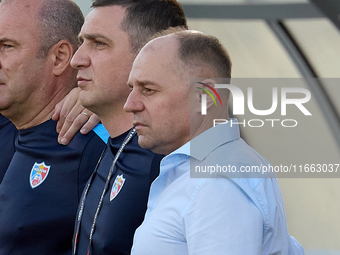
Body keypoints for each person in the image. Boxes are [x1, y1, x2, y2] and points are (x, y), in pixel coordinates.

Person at [124, 29, 304, 254]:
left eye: (148, 90)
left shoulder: (217, 182)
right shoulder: (214, 169)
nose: (130, 104)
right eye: (132, 89)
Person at [69, 0, 187, 254]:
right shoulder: (101, 136)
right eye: (82, 43)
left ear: (149, 55)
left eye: (98, 43)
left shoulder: (176, 157)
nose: (76, 59)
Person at [0, 0, 108, 254]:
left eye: (6, 46)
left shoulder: (100, 138)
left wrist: (114, 99)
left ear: (59, 58)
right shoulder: (13, 121)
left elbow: (210, 153)